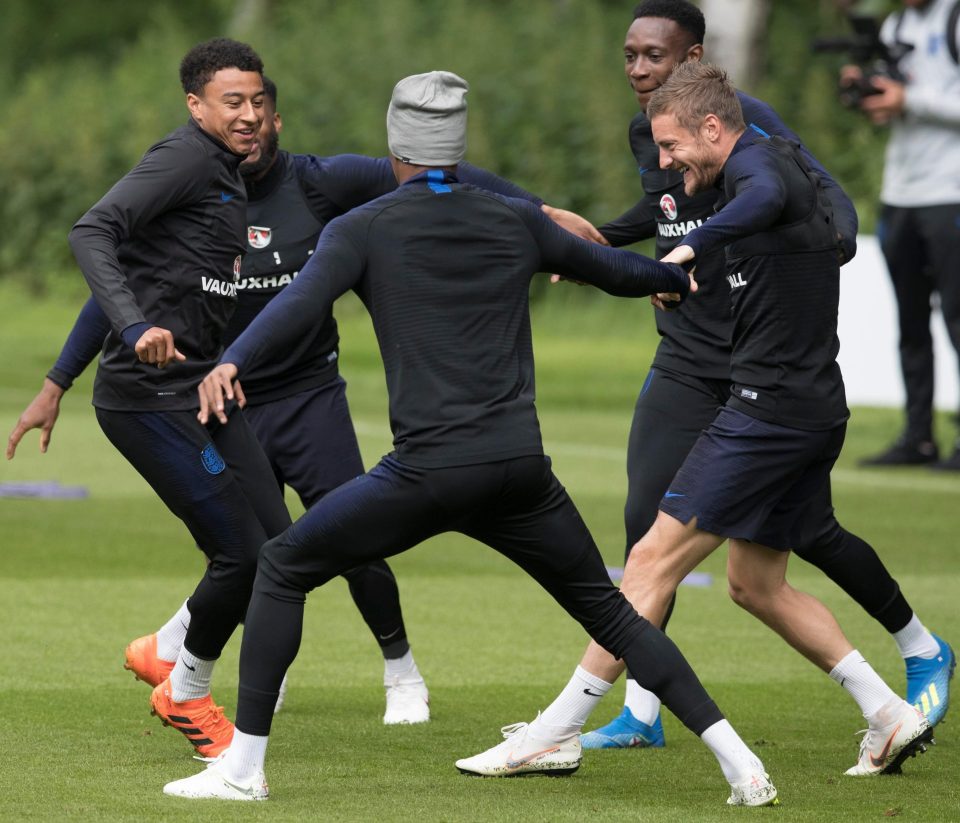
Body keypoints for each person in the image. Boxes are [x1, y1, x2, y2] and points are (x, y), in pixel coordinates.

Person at [161, 70, 779, 808]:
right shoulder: (512, 220)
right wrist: (672, 279)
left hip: (424, 473)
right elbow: (615, 270)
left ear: (396, 148)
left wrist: (231, 360)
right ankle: (740, 762)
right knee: (613, 612)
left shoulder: (361, 227)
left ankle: (242, 769)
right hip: (520, 472)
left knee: (284, 566)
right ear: (458, 148)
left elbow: (296, 307)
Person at [7, 75, 598, 725]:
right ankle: (252, 674)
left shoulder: (318, 181)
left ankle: (399, 669)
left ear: (278, 123)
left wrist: (538, 213)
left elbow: (439, 171)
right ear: (201, 113)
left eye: (260, 108)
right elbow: (121, 289)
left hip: (309, 393)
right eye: (235, 106)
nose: (250, 120)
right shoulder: (194, 190)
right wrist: (58, 381)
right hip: (227, 395)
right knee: (261, 546)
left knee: (350, 536)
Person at [467, 60, 935, 781]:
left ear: (713, 128)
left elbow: (765, 196)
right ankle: (886, 713)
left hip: (769, 413)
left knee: (650, 561)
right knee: (756, 584)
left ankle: (553, 731)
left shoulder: (761, 170)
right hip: (810, 408)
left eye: (671, 146)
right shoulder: (746, 176)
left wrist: (696, 244)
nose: (662, 162)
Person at [579, 0, 952, 751]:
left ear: (696, 61)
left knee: (804, 536)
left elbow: (803, 193)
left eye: (656, 56)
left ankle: (920, 646)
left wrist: (833, 243)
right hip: (688, 353)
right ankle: (643, 712)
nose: (639, 70)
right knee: (645, 525)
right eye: (630, 55)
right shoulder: (649, 132)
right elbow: (668, 214)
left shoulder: (747, 123)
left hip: (758, 365)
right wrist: (604, 248)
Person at [845, 0, 960, 468]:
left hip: (950, 189)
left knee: (957, 317)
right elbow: (887, 106)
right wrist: (866, 93)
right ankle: (918, 436)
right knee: (910, 322)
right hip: (902, 190)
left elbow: (916, 98)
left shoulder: (954, 19)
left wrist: (908, 99)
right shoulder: (896, 24)